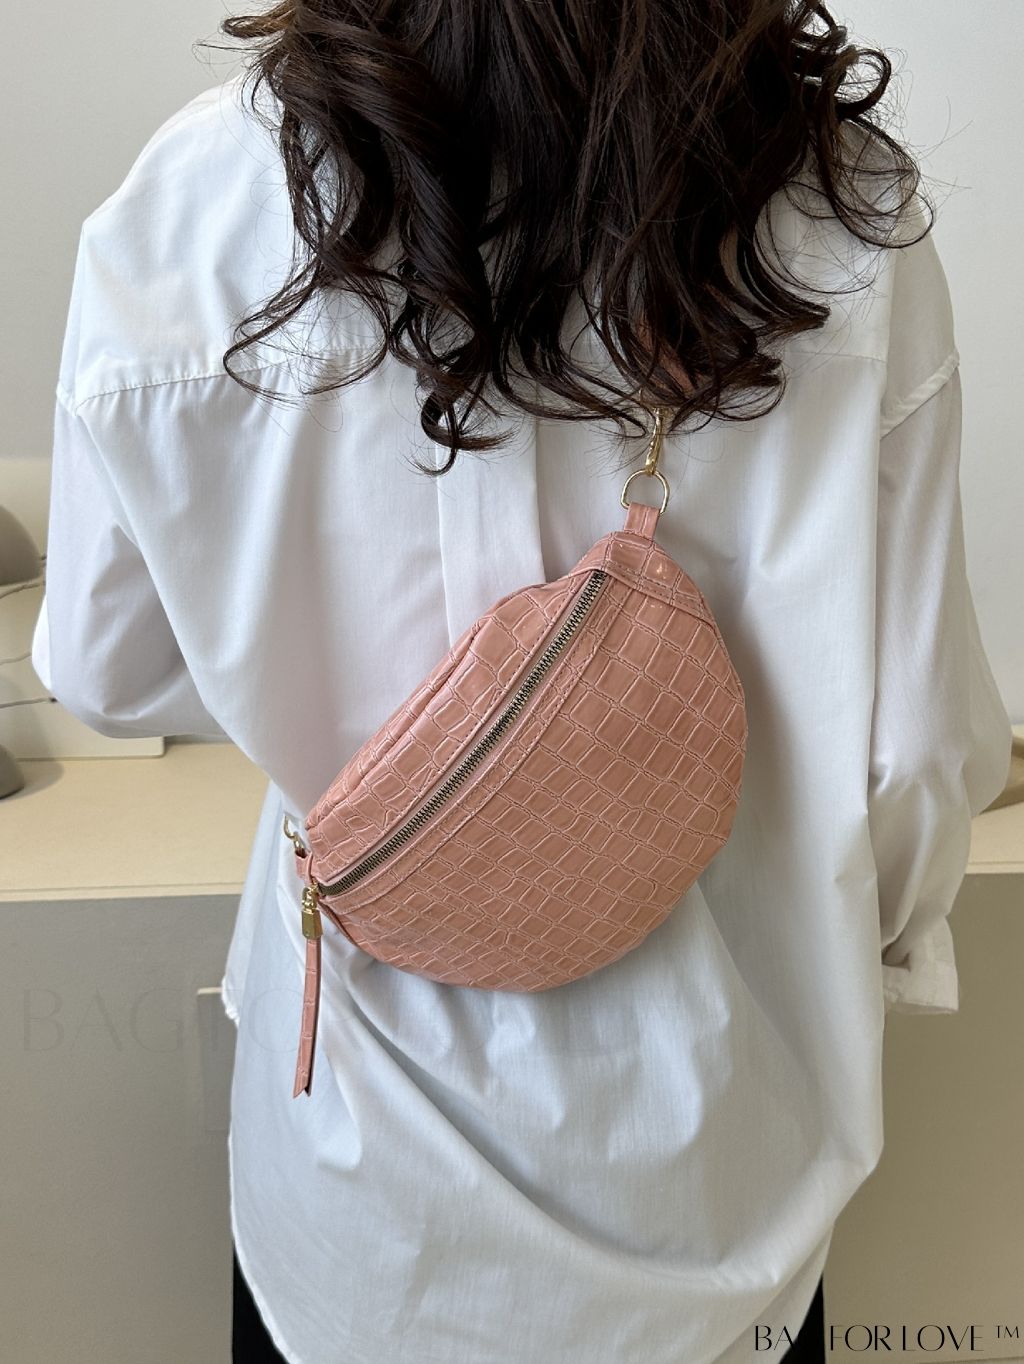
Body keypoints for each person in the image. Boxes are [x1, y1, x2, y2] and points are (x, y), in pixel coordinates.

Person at [31, 3, 1012, 1361]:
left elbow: (108, 669)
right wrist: (844, 935)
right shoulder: (838, 209)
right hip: (720, 1188)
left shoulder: (202, 198)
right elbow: (917, 757)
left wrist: (353, 734)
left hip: (356, 1187)